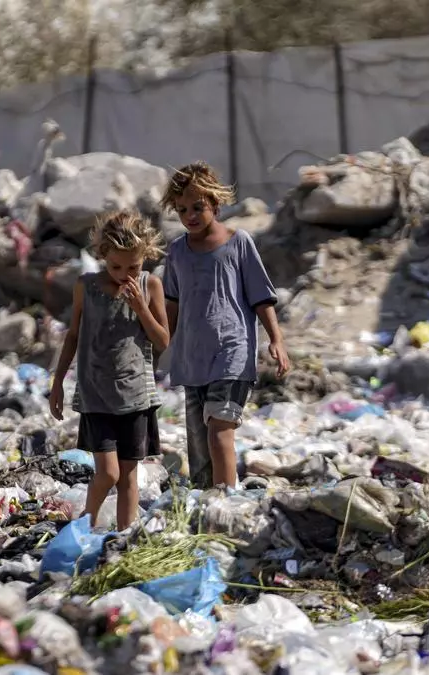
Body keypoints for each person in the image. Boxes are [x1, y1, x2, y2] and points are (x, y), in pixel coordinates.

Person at [161, 161, 290, 489]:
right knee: (200, 451)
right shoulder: (176, 253)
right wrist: (158, 346)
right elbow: (171, 305)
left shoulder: (238, 242)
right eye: (182, 210)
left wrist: (276, 339)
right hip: (193, 359)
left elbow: (261, 297)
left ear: (216, 204)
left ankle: (228, 500)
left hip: (233, 352)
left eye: (198, 207)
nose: (190, 215)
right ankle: (209, 505)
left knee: (220, 431)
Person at [49, 211, 169, 529]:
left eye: (133, 267)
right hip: (96, 395)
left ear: (145, 257)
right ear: (103, 255)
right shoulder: (86, 286)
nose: (124, 275)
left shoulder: (150, 285)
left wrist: (141, 307)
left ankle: (124, 538)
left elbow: (162, 340)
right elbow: (73, 335)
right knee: (108, 473)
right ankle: (85, 525)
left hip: (136, 396)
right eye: (116, 267)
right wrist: (58, 383)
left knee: (128, 476)